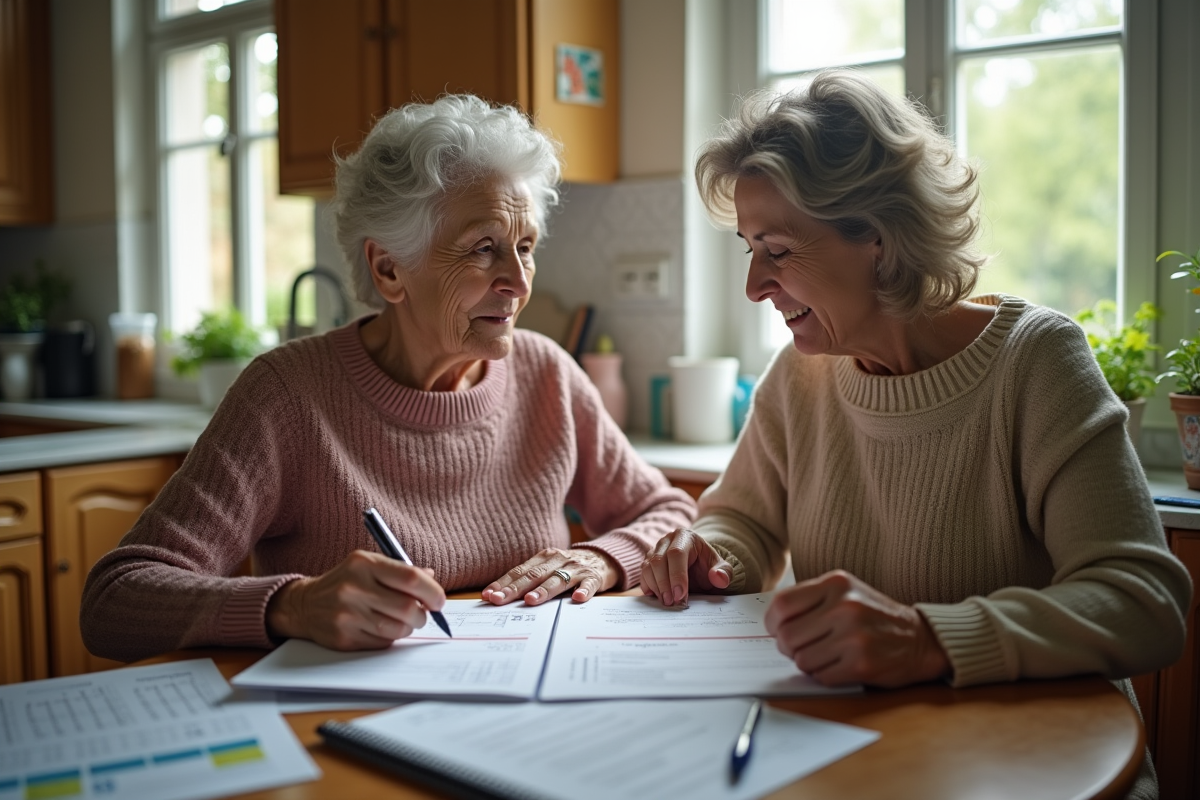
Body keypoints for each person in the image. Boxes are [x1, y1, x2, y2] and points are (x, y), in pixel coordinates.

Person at [639, 72, 1189, 798]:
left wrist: (927, 640)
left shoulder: (1034, 361)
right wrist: (712, 553)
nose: (753, 286)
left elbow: (1145, 603)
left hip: (1046, 771)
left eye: (777, 250)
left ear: (875, 233)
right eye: (749, 249)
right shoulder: (801, 375)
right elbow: (742, 519)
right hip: (869, 762)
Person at [82, 94, 696, 661]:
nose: (517, 280)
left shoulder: (546, 374)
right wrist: (292, 605)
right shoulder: (287, 395)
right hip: (344, 715)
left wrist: (604, 558)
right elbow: (115, 599)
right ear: (389, 270)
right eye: (483, 247)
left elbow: (668, 510)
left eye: (526, 246)